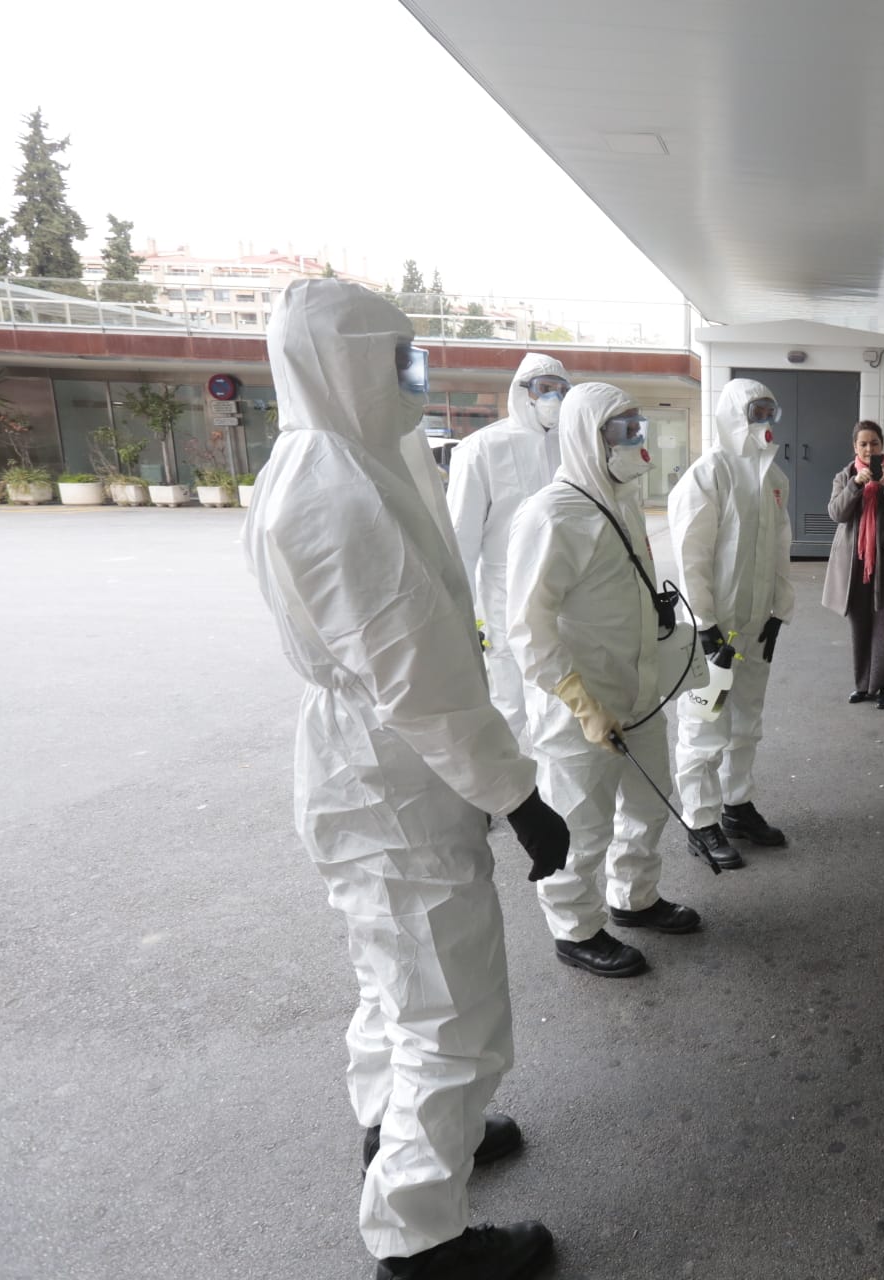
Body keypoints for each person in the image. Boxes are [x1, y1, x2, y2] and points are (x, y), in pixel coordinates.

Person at [243, 279, 566, 1279]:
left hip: (371, 767)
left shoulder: (331, 462)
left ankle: (399, 1132)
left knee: (395, 979)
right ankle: (422, 1235)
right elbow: (418, 672)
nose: (415, 374)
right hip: (393, 770)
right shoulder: (333, 487)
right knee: (449, 1010)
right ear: (347, 364)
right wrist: (519, 794)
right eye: (400, 356)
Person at [508, 382, 702, 979]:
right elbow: (528, 627)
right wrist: (581, 702)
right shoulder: (550, 513)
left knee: (647, 808)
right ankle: (575, 928)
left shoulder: (619, 501)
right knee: (580, 824)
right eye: (621, 432)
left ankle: (634, 898)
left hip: (638, 693)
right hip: (582, 708)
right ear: (587, 437)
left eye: (637, 428)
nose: (635, 443)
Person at [667, 378, 796, 870]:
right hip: (715, 634)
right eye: (754, 411)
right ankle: (700, 822)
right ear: (732, 415)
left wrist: (780, 612)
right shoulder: (708, 475)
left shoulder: (775, 479)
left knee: (746, 723)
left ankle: (737, 806)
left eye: (769, 411)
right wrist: (704, 625)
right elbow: (691, 557)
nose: (763, 421)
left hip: (755, 627)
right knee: (703, 724)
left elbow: (781, 552)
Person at [447, 353, 572, 745]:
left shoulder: (571, 446)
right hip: (505, 596)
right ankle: (517, 797)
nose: (554, 398)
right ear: (522, 392)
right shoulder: (482, 448)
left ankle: (555, 791)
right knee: (510, 701)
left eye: (561, 390)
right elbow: (460, 539)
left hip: (565, 591)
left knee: (561, 698)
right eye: (544, 388)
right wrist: (461, 615)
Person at [821, 421, 884, 709]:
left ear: (882, 445)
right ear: (855, 447)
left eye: (874, 443)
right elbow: (836, 514)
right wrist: (855, 485)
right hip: (854, 564)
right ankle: (863, 685)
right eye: (863, 444)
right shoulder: (845, 476)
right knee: (860, 624)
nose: (869, 449)